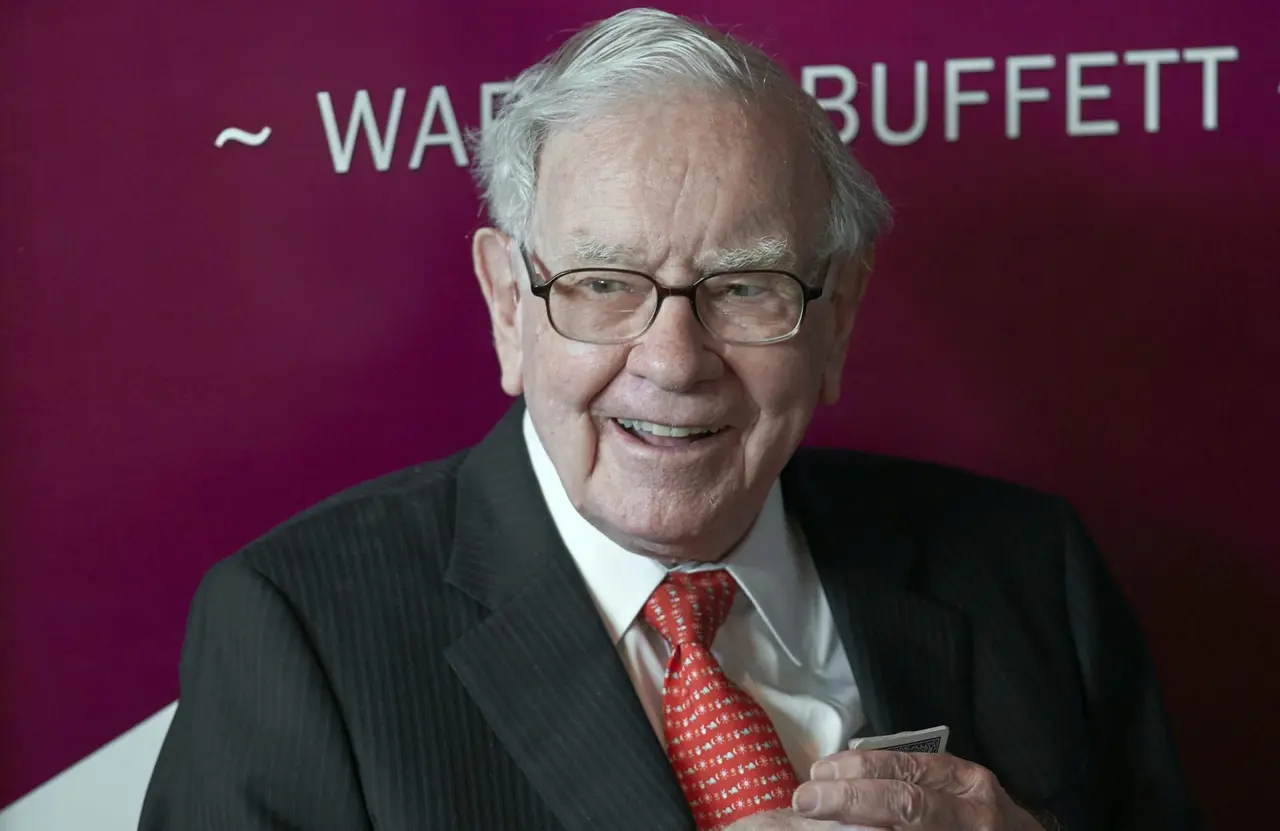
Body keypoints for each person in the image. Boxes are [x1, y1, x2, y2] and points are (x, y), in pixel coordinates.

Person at [138, 8, 1199, 831]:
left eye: (745, 289)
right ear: (511, 306)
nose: (673, 362)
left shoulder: (1028, 572)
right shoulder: (301, 633)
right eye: (603, 284)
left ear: (837, 319)